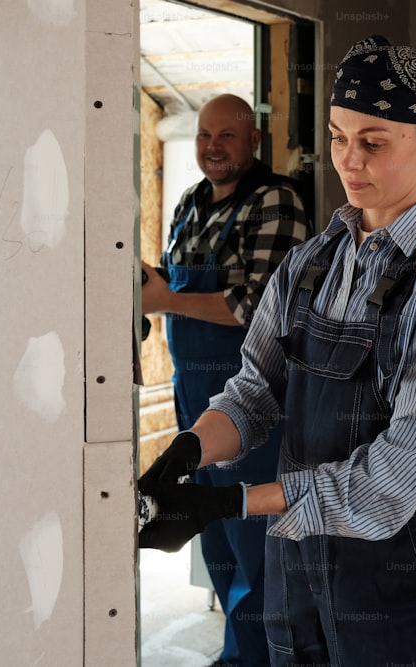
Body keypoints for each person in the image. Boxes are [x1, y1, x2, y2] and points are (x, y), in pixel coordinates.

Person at [139, 36, 416, 666]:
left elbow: (391, 481)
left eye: (374, 142)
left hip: (402, 583)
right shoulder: (311, 263)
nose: (350, 160)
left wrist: (231, 502)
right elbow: (255, 394)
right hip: (300, 571)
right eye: (339, 137)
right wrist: (190, 448)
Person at [141, 93, 311, 667]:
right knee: (209, 533)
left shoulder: (276, 201)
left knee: (254, 540)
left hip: (252, 398)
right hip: (193, 389)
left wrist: (166, 298)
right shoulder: (191, 201)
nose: (213, 146)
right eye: (205, 136)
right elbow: (177, 287)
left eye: (227, 136)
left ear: (253, 143)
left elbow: (256, 307)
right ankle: (237, 654)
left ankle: (257, 660)